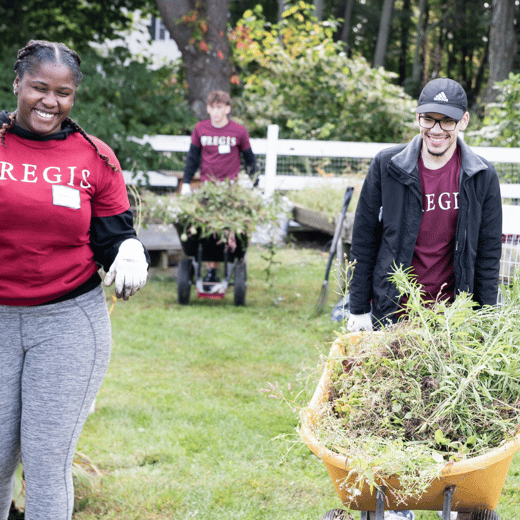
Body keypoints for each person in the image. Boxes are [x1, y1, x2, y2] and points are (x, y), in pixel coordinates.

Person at [0, 40, 149, 520]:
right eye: (39, 87)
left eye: (62, 92)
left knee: (46, 461)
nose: (49, 101)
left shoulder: (94, 158)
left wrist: (128, 250)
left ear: (73, 98)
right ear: (17, 84)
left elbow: (113, 236)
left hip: (67, 322)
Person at [346, 77, 502, 520]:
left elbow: (488, 253)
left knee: (446, 408)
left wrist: (483, 319)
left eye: (447, 121)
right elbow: (364, 239)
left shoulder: (480, 176)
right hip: (394, 308)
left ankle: (446, 494)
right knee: (394, 407)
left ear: (464, 121)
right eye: (428, 119)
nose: (436, 130)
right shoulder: (388, 166)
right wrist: (358, 309)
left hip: (453, 313)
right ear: (417, 118)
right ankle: (398, 502)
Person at [181, 90, 256, 288]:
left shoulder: (239, 132)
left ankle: (229, 262)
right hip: (208, 190)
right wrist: (187, 183)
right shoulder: (201, 129)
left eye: (220, 107)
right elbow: (192, 158)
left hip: (231, 190)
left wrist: (255, 185)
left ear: (227, 109)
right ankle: (211, 270)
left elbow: (250, 161)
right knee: (208, 229)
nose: (216, 112)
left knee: (229, 226)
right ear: (208, 108)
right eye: (213, 107)